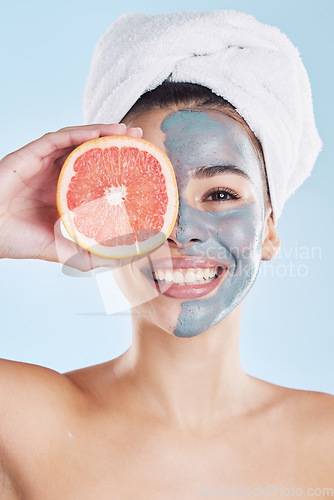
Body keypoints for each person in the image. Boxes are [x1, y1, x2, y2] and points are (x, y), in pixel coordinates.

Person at [0, 9, 333, 499]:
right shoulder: (19, 422)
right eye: (145, 195)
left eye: (220, 194)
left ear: (268, 231)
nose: (182, 232)